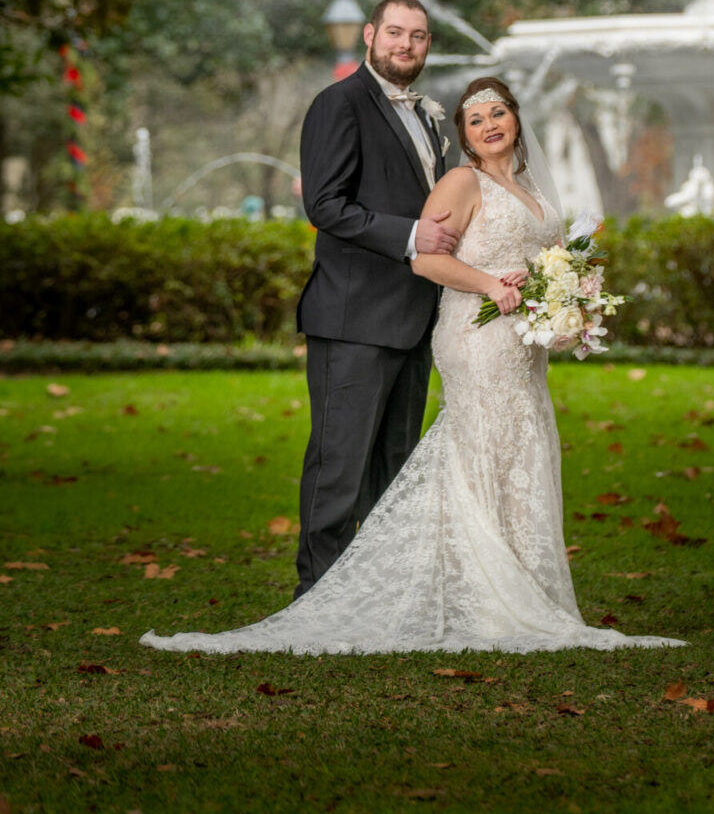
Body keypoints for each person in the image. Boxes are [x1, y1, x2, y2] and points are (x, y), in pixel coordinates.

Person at [140, 76, 682, 655]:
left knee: (522, 448)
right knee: (480, 447)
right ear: (465, 136)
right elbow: (426, 261)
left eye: (498, 113)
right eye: (475, 120)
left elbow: (542, 259)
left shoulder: (530, 187)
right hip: (476, 336)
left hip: (518, 343)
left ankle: (524, 590)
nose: (489, 125)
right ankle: (481, 594)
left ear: (517, 119)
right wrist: (493, 286)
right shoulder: (459, 181)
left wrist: (563, 298)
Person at [292, 0, 456, 599]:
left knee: (395, 468)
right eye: (394, 32)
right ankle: (316, 595)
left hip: (415, 318)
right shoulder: (338, 104)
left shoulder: (432, 116)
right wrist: (413, 235)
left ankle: (379, 596)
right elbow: (325, 205)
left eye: (417, 36)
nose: (405, 45)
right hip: (354, 316)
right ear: (369, 35)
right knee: (339, 466)